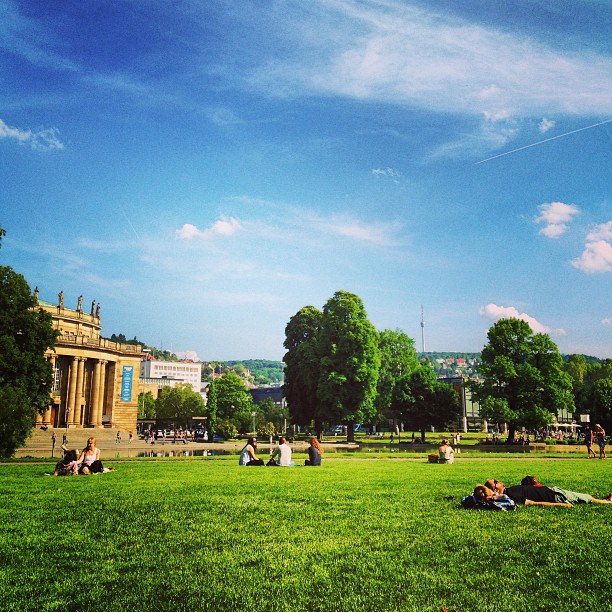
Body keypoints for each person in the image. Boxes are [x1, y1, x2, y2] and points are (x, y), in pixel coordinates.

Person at [485, 478, 612, 506]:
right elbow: (533, 503)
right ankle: (607, 502)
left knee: (584, 497)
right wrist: (562, 505)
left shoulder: (510, 491)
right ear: (496, 489)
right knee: (588, 498)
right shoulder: (511, 495)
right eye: (496, 481)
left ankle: (605, 500)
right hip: (555, 495)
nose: (499, 480)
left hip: (553, 491)